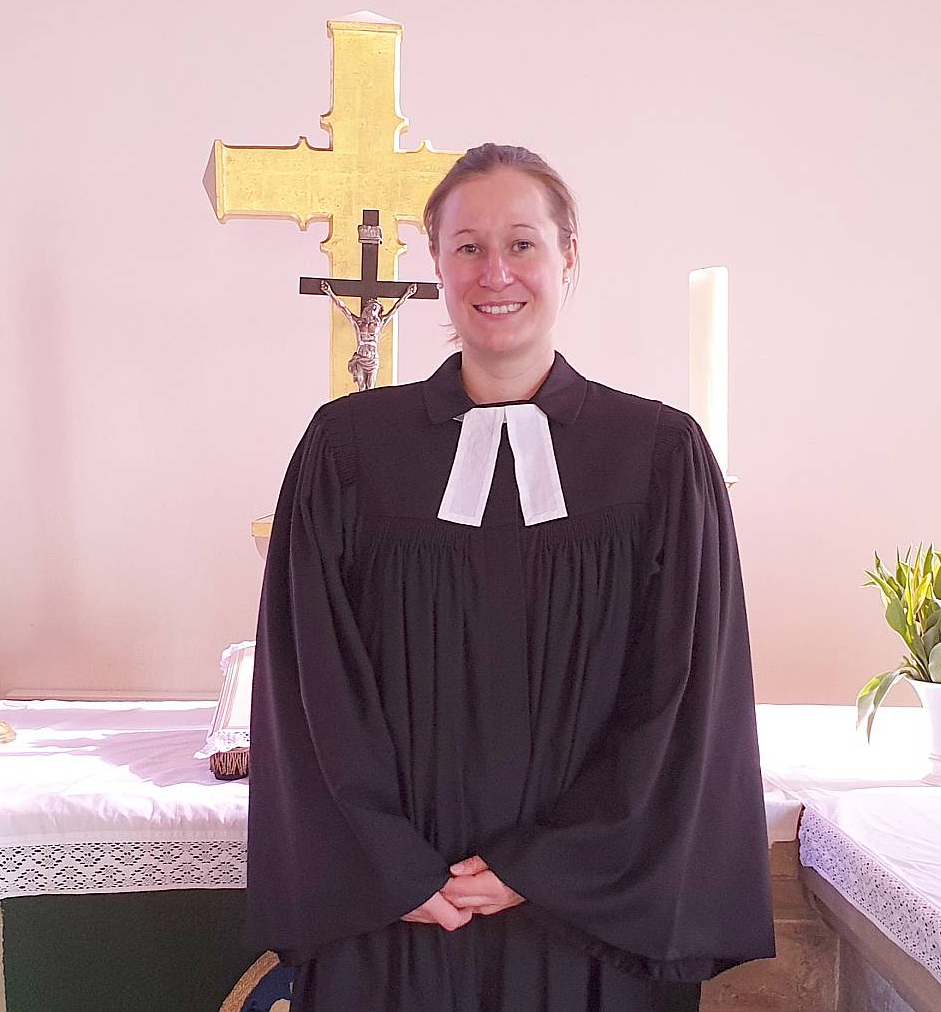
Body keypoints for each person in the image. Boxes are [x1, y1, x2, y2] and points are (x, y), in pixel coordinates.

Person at [246, 143, 775, 1011]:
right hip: (401, 919)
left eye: (523, 244)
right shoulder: (348, 450)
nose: (496, 272)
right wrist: (393, 867)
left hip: (587, 922)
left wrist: (543, 867)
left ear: (569, 259)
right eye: (467, 246)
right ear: (436, 265)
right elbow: (310, 681)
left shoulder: (656, 456)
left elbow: (685, 697)